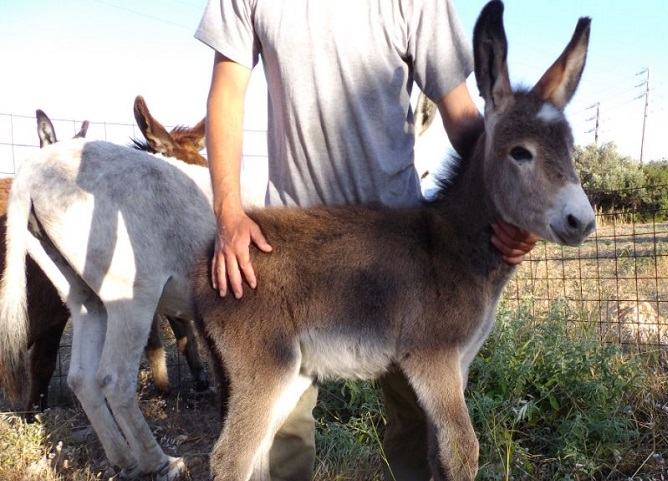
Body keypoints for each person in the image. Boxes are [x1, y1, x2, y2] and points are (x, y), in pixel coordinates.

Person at [195, 1, 537, 479]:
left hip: (401, 251)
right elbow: (227, 91)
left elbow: (463, 116)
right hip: (295, 250)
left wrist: (518, 205)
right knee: (278, 429)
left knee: (421, 416)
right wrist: (228, 211)